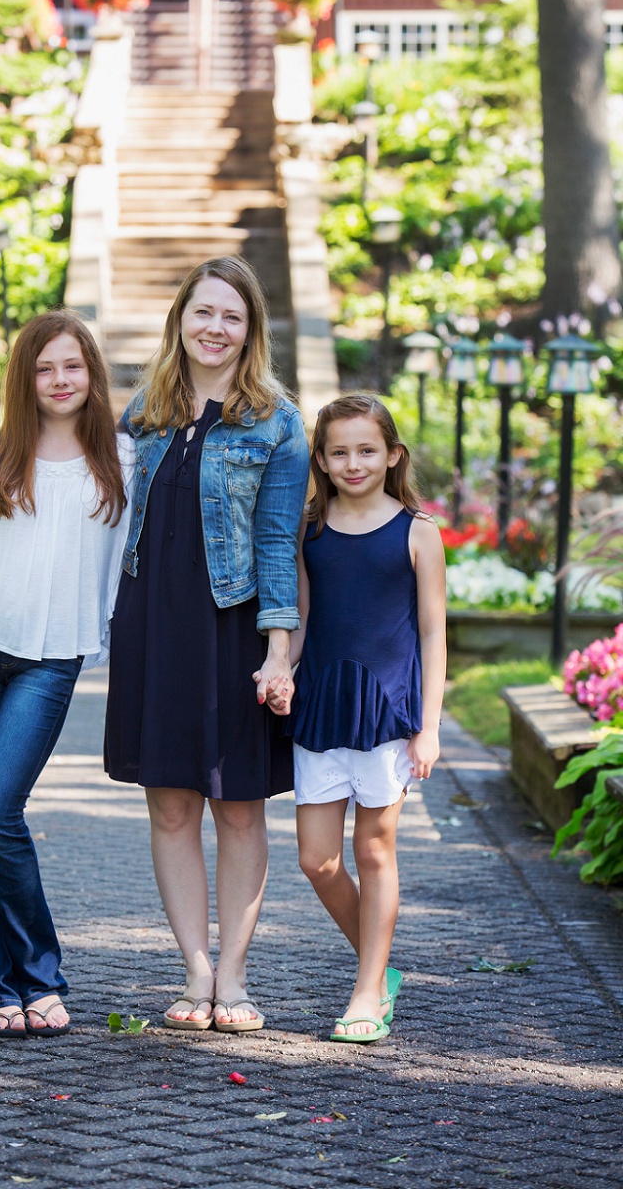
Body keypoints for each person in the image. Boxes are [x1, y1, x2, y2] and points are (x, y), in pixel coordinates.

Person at [104, 255, 310, 1033]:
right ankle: (193, 973)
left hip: (235, 631)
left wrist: (279, 652)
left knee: (240, 810)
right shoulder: (144, 413)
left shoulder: (278, 422)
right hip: (155, 628)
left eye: (232, 316)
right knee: (170, 805)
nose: (215, 328)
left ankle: (235, 978)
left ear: (250, 329)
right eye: (203, 312)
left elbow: (278, 545)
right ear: (180, 320)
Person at [0, 310, 133, 1039]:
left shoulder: (124, 464)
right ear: (25, 379)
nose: (60, 380)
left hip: (51, 658)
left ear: (92, 373)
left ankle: (33, 977)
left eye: (72, 366)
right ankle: (5, 989)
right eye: (45, 368)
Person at [275, 393, 446, 1043]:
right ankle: (380, 965)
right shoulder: (310, 529)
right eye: (339, 451)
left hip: (387, 712)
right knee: (317, 860)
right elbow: (303, 616)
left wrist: (428, 725)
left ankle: (368, 989)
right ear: (321, 458)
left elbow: (433, 632)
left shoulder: (416, 530)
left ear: (392, 455)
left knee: (374, 850)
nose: (354, 462)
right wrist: (281, 669)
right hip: (322, 705)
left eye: (367, 450)